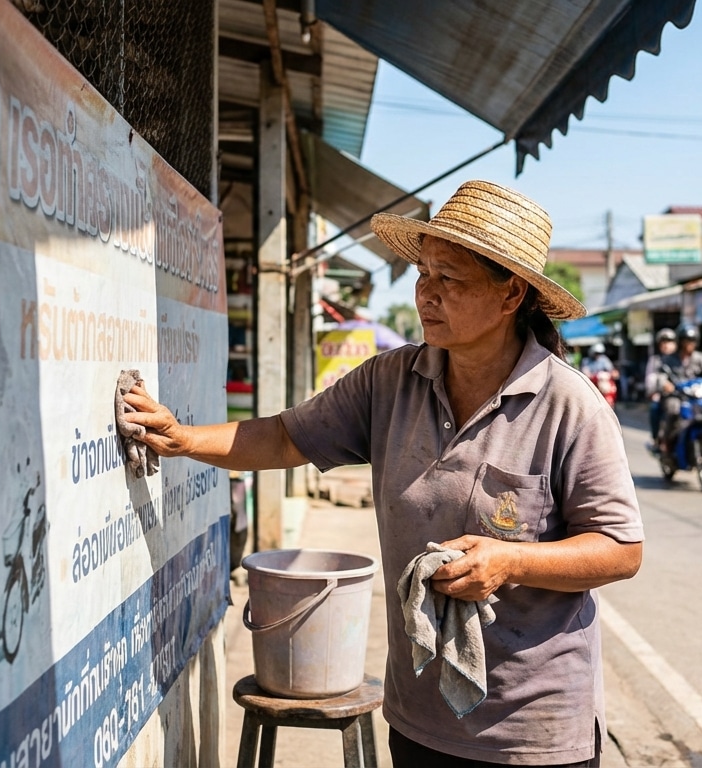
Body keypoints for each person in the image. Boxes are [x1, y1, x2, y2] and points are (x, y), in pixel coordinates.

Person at [124, 180, 643, 766]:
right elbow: (285, 436)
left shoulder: (569, 405)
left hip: (532, 730)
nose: (427, 294)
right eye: (424, 274)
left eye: (451, 280)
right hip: (419, 719)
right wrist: (183, 438)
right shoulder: (389, 382)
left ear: (510, 296)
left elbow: (620, 550)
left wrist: (510, 561)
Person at [654, 323, 702, 453]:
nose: (690, 344)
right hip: (677, 396)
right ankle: (666, 441)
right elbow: (661, 377)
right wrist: (666, 384)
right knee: (673, 410)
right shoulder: (669, 359)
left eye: (692, 341)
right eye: (687, 341)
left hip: (696, 397)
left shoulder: (700, 358)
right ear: (680, 342)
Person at [644, 328, 678, 443]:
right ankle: (656, 438)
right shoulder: (655, 360)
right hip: (662, 395)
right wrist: (658, 388)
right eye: (663, 342)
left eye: (669, 341)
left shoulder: (680, 359)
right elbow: (650, 379)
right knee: (654, 408)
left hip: (682, 395)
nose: (666, 345)